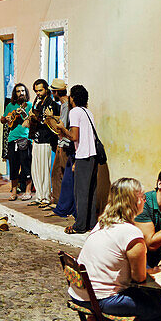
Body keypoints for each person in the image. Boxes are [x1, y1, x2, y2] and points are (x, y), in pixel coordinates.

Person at [75, 177, 161, 321]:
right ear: (133, 201)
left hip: (81, 293)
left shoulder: (103, 223)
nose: (144, 200)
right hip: (102, 299)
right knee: (159, 313)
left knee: (143, 302)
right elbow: (139, 277)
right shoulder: (131, 233)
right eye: (142, 196)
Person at [63, 84, 102, 233]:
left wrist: (62, 129)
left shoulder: (75, 112)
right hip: (93, 156)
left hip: (83, 156)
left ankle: (80, 226)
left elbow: (74, 136)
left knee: (81, 193)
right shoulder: (88, 112)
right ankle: (91, 223)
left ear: (72, 98)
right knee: (91, 191)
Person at [26, 78, 60, 207]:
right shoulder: (37, 102)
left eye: (40, 90)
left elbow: (51, 123)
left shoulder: (52, 104)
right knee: (35, 169)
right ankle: (39, 196)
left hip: (46, 140)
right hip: (36, 139)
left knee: (44, 169)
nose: (38, 93)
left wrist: (37, 118)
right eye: (36, 91)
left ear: (46, 89)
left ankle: (45, 196)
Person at [1, 83, 32, 201]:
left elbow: (29, 120)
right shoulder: (10, 105)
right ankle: (14, 191)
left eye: (23, 91)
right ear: (15, 93)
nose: (21, 93)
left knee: (26, 166)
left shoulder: (29, 105)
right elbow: (2, 119)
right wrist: (7, 118)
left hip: (25, 138)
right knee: (13, 167)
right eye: (18, 91)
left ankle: (28, 191)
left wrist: (23, 113)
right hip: (12, 139)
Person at [48, 79, 72, 212]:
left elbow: (60, 128)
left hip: (65, 145)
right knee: (56, 173)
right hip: (61, 144)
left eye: (53, 91)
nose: (52, 93)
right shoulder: (65, 105)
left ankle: (63, 205)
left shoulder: (66, 105)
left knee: (61, 175)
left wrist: (50, 119)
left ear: (56, 92)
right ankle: (58, 202)